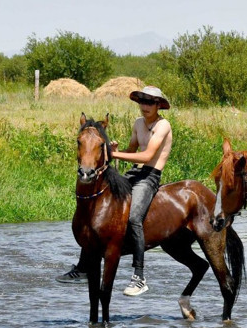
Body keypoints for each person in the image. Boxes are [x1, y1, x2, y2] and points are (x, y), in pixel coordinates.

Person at [56, 86, 173, 297]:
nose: (144, 107)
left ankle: (139, 277)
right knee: (99, 208)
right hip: (135, 174)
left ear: (158, 105)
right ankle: (83, 267)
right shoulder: (138, 123)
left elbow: (147, 156)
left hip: (150, 177)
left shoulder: (163, 125)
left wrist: (113, 155)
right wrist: (119, 151)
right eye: (142, 102)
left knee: (135, 217)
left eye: (149, 103)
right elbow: (131, 152)